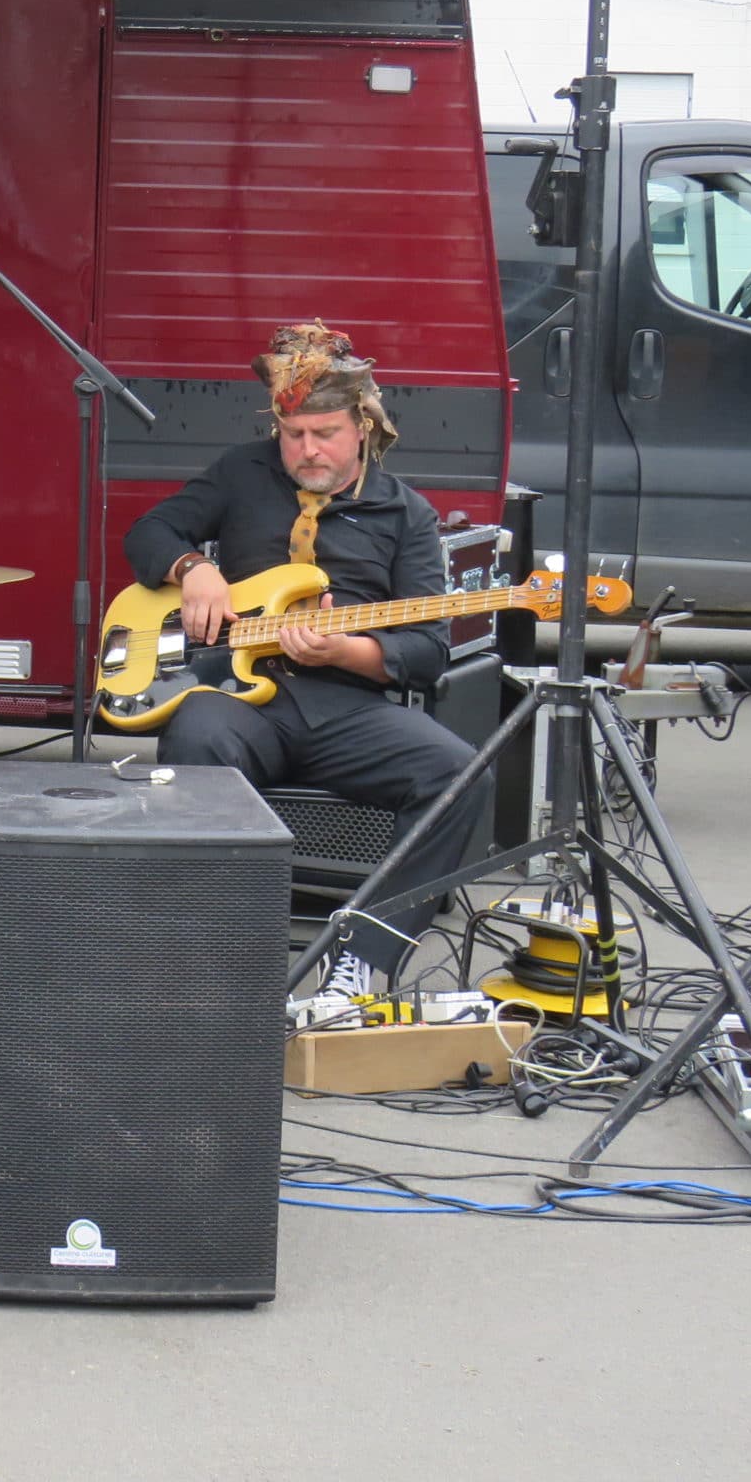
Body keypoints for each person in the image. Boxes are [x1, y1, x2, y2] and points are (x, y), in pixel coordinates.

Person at [121, 320, 490, 1001]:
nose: (307, 450)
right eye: (294, 436)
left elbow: (427, 651)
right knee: (197, 738)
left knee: (461, 775)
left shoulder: (407, 515)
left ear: (362, 429)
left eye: (324, 434)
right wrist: (194, 567)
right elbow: (150, 530)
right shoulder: (243, 472)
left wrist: (346, 649)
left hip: (344, 705)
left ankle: (365, 958)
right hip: (235, 693)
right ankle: (210, 957)